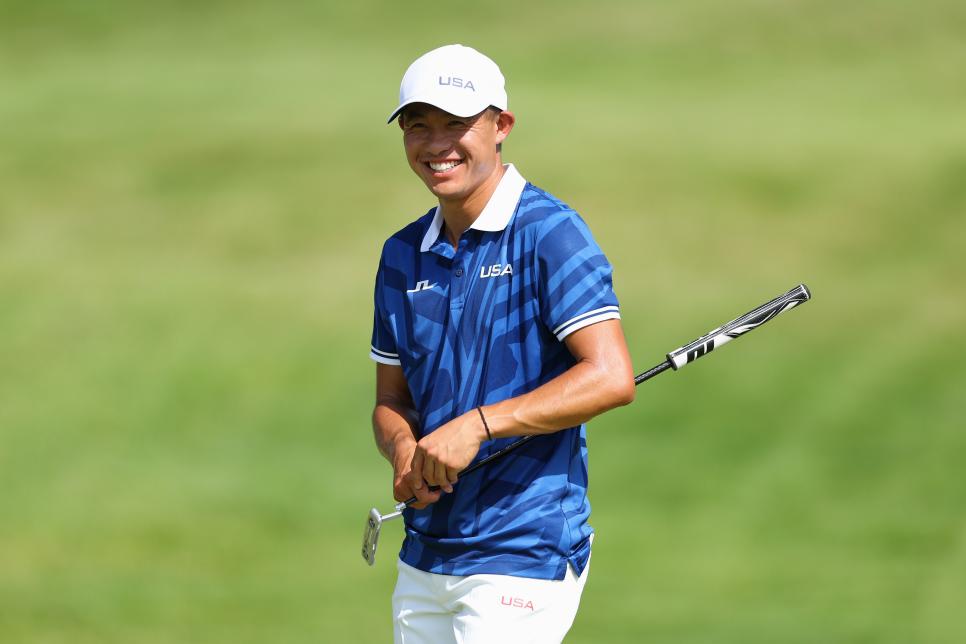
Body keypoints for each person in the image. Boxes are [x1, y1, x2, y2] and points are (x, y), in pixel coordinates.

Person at [370, 44, 635, 643]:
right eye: (419, 126)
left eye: (457, 124)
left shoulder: (550, 233)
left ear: (501, 127)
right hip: (426, 554)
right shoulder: (401, 253)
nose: (437, 144)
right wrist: (403, 449)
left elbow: (611, 375)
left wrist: (479, 425)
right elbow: (391, 399)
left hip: (525, 547)